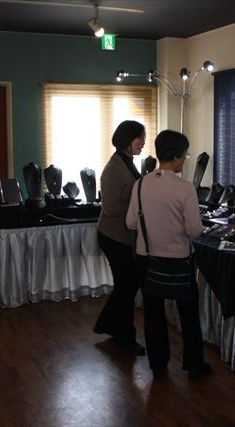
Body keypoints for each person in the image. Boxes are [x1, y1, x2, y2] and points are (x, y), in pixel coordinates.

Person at [126, 129, 211, 380]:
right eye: (185, 155)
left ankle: (158, 365)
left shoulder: (140, 184)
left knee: (153, 315)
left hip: (146, 258)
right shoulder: (185, 189)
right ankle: (194, 366)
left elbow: (131, 223)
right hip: (179, 260)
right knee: (188, 315)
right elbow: (194, 231)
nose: (185, 159)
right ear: (175, 156)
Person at [93, 120, 146, 355]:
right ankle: (126, 337)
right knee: (127, 285)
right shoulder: (114, 168)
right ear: (127, 139)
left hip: (124, 236)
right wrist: (139, 206)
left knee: (127, 285)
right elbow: (110, 208)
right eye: (139, 138)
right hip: (113, 236)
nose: (143, 142)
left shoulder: (128, 161)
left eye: (143, 138)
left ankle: (107, 324)